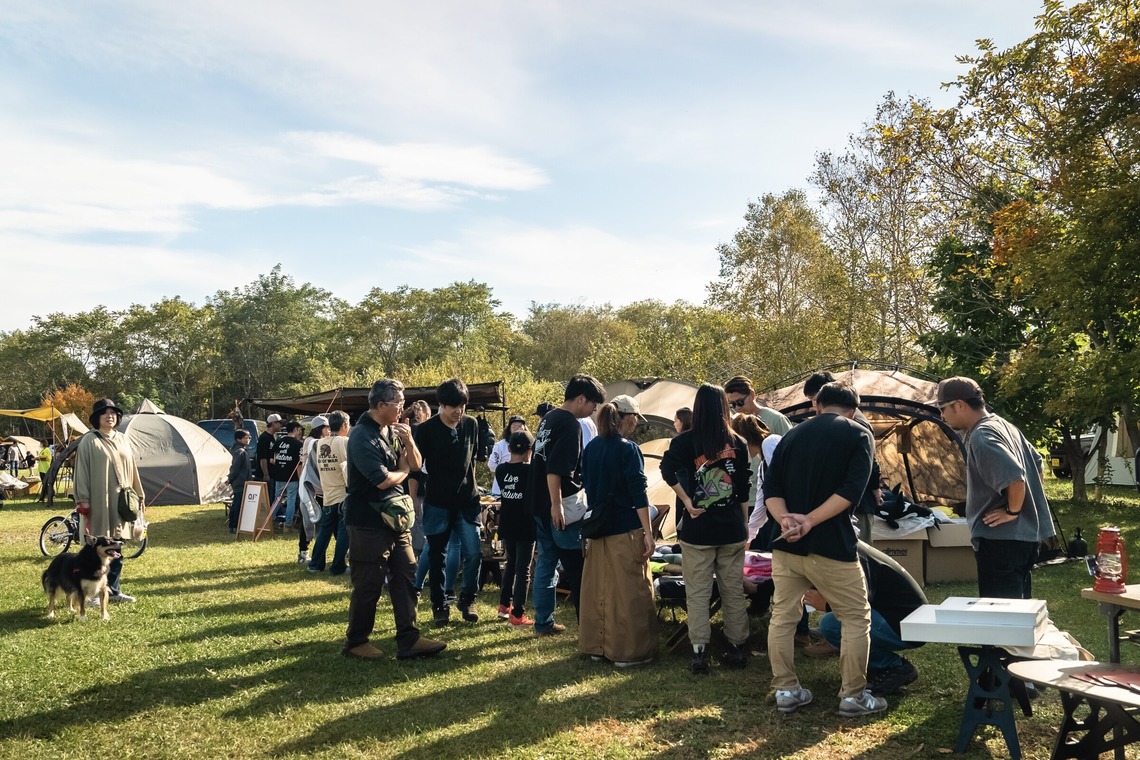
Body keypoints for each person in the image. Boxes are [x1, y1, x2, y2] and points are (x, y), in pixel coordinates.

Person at [763, 381, 883, 716]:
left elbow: (770, 486)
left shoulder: (792, 435)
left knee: (783, 618)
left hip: (786, 544)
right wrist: (810, 521)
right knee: (856, 618)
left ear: (817, 405)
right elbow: (852, 490)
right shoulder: (859, 434)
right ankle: (853, 696)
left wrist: (787, 521)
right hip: (832, 545)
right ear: (853, 409)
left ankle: (785, 690)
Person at [341, 378, 445, 660]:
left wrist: (410, 441)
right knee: (369, 582)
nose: (402, 408)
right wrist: (403, 471)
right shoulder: (362, 436)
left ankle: (409, 638)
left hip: (396, 521)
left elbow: (418, 465)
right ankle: (356, 641)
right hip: (368, 521)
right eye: (398, 403)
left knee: (406, 574)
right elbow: (383, 480)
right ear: (381, 404)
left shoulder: (392, 430)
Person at [934, 376, 1056, 599]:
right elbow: (1037, 463)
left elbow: (1016, 478)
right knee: (1018, 613)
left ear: (959, 405)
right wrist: (1027, 506)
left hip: (1001, 542)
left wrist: (1013, 511)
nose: (942, 416)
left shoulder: (982, 436)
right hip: (1024, 538)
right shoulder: (1004, 425)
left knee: (1001, 619)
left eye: (943, 408)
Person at [660, 383, 752, 674]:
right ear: (724, 407)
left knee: (697, 592)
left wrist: (687, 500)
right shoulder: (738, 442)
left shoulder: (685, 442)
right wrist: (745, 522)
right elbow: (743, 486)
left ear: (697, 409)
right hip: (731, 528)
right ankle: (737, 647)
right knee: (733, 591)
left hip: (698, 529)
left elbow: (666, 470)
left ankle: (699, 652)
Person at [579, 396, 658, 667]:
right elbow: (638, 492)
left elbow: (587, 486)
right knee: (630, 592)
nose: (636, 424)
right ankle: (629, 652)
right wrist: (648, 532)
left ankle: (596, 647)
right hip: (625, 528)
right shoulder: (628, 449)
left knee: (598, 590)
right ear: (627, 418)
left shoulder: (591, 448)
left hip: (597, 529)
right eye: (635, 419)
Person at [529, 374, 606, 636]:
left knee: (546, 564)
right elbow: (555, 469)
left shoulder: (549, 418)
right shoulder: (570, 424)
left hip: (538, 502)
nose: (594, 409)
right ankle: (589, 628)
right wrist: (556, 506)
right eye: (593, 403)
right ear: (581, 398)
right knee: (576, 568)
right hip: (559, 505)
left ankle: (543, 622)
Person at [806, 540, 926, 696]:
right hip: (902, 618)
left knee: (831, 624)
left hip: (906, 623)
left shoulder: (847, 551)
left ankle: (894, 666)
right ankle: (876, 666)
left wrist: (829, 605)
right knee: (834, 622)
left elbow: (861, 601)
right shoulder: (847, 545)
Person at [414, 378, 484, 626]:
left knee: (474, 553)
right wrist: (413, 500)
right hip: (437, 501)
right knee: (437, 555)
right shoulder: (424, 430)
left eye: (462, 405)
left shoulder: (472, 424)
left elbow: (472, 460)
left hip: (468, 501)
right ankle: (439, 604)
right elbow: (415, 468)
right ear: (441, 404)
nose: (458, 411)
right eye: (452, 406)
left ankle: (467, 598)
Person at [74, 398, 144, 604]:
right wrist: (83, 500)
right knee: (96, 549)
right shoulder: (89, 440)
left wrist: (139, 495)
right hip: (97, 502)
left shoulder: (123, 439)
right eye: (105, 413)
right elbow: (81, 472)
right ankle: (92, 594)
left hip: (120, 503)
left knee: (117, 546)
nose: (110, 416)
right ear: (97, 418)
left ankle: (113, 590)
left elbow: (132, 469)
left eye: (113, 413)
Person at [804, 372, 883, 544]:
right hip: (835, 503)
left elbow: (870, 460)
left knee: (859, 553)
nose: (814, 406)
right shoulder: (832, 423)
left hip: (857, 502)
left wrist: (875, 488)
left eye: (815, 399)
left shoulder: (855, 423)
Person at [494, 430, 536, 626]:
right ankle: (518, 614)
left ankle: (504, 605)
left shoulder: (501, 470)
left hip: (507, 522)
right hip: (526, 524)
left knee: (510, 563)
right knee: (523, 568)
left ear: (509, 448)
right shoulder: (530, 471)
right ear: (530, 451)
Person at [730, 414, 781, 550]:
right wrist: (748, 540)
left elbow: (782, 478)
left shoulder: (771, 442)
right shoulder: (762, 467)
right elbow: (760, 507)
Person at [310, 411, 351, 575]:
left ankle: (315, 564)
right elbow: (349, 467)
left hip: (327, 493)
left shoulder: (320, 443)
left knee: (324, 531)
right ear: (343, 426)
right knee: (343, 532)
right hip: (343, 493)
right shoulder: (344, 441)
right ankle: (338, 566)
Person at [296, 417, 330, 564]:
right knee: (309, 519)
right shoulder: (312, 442)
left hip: (320, 486)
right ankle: (304, 553)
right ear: (319, 428)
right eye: (327, 427)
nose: (329, 431)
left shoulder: (313, 441)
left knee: (326, 520)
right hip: (311, 486)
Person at [724, 375, 794, 435]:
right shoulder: (735, 426)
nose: (737, 408)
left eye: (740, 402)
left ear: (752, 394)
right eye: (732, 404)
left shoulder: (776, 420)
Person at [270, 421, 304, 529]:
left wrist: (280, 463)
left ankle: (269, 519)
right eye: (299, 430)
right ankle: (288, 523)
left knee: (277, 498)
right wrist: (300, 478)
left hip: (279, 475)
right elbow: (299, 464)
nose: (299, 432)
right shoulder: (298, 444)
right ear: (295, 430)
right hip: (292, 477)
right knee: (291, 499)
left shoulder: (279, 441)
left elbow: (272, 459)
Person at [488, 415, 527, 498]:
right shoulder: (500, 445)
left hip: (522, 490)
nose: (517, 428)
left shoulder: (529, 444)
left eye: (520, 426)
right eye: (514, 426)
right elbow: (492, 465)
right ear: (509, 428)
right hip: (500, 491)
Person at [225, 429, 252, 533]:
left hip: (241, 481)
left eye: (249, 437)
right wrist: (229, 479)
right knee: (238, 504)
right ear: (238, 439)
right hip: (239, 482)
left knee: (237, 503)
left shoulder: (241, 450)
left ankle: (233, 526)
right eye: (245, 438)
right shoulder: (239, 451)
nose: (248, 439)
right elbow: (235, 468)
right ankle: (234, 526)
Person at [257, 413, 283, 501]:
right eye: (279, 423)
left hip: (272, 472)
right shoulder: (264, 438)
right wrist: (266, 474)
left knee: (272, 496)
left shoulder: (273, 437)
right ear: (273, 423)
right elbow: (263, 457)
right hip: (264, 474)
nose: (281, 425)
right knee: (267, 497)